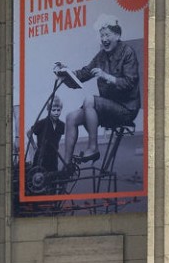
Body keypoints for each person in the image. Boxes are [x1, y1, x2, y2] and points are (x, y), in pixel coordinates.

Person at [55, 16, 140, 167]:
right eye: (102, 35)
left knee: (89, 100)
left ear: (117, 35)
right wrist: (66, 73)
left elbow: (129, 83)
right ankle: (66, 167)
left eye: (107, 35)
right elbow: (84, 73)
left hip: (126, 109)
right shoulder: (101, 56)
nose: (104, 39)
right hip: (107, 108)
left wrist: (106, 76)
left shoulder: (128, 53)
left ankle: (93, 148)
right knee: (71, 117)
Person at [27, 96, 65, 173]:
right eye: (53, 110)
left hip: (54, 156)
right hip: (41, 156)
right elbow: (29, 133)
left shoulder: (61, 125)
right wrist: (34, 146)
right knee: (38, 176)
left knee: (53, 176)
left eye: (58, 110)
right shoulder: (42, 123)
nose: (56, 113)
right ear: (48, 110)